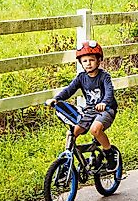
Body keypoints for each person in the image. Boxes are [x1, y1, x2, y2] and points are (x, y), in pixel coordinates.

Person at [46, 41, 119, 171]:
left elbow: (109, 93)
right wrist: (56, 99)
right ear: (81, 63)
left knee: (95, 129)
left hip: (106, 110)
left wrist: (104, 103)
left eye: (91, 60)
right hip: (90, 111)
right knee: (72, 133)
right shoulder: (81, 78)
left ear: (99, 61)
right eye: (84, 61)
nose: (88, 63)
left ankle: (109, 153)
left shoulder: (104, 77)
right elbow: (69, 90)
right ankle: (67, 163)